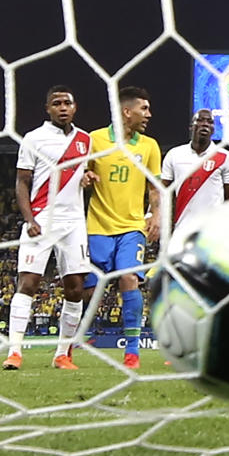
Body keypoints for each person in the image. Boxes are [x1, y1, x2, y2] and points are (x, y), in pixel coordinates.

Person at [4, 86, 92, 370]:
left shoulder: (85, 140)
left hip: (74, 223)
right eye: (56, 103)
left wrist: (87, 177)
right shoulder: (33, 138)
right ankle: (14, 351)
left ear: (75, 107)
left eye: (67, 102)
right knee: (28, 283)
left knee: (75, 289)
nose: (63, 107)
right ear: (48, 109)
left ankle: (62, 354)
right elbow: (22, 182)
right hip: (41, 220)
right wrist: (29, 219)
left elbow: (82, 174)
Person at [82, 86, 161, 369]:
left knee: (130, 279)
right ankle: (73, 343)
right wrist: (86, 175)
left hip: (132, 227)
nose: (148, 114)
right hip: (98, 225)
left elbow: (155, 187)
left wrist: (155, 215)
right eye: (144, 109)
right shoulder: (95, 139)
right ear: (126, 112)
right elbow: (79, 171)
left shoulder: (149, 146)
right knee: (89, 291)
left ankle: (132, 352)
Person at [160, 109, 229, 229]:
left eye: (209, 122)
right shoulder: (174, 154)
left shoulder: (226, 158)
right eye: (200, 120)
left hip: (212, 230)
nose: (205, 124)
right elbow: (163, 192)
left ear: (213, 129)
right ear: (191, 127)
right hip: (182, 228)